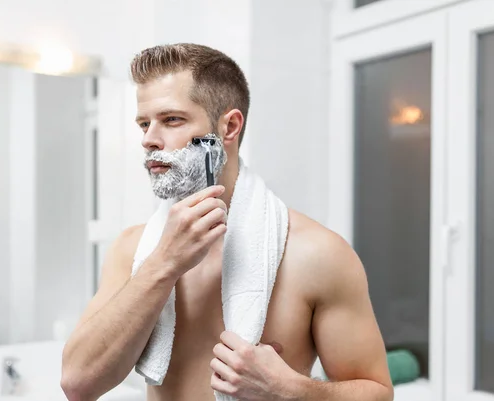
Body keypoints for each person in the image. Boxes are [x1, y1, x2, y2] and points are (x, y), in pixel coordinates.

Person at [61, 43, 393, 401]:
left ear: (230, 127)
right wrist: (163, 265)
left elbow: (378, 394)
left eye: (171, 119)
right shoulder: (134, 250)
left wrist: (289, 390)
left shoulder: (314, 253)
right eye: (144, 123)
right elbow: (78, 384)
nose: (149, 140)